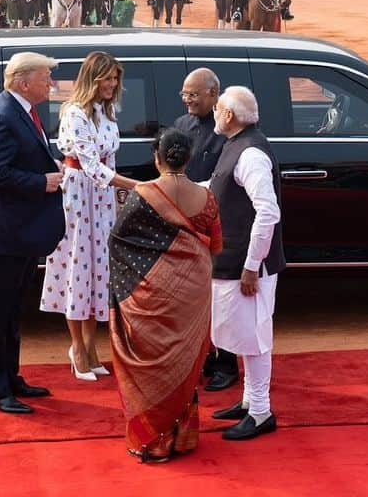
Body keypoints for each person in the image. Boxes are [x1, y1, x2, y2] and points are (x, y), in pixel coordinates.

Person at [109, 128, 222, 463]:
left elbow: (118, 240)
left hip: (148, 294)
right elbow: (216, 244)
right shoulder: (208, 198)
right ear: (187, 158)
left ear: (157, 158)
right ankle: (182, 437)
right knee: (185, 362)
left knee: (150, 365)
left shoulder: (143, 193)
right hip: (193, 291)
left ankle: (152, 442)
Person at [0, 52, 65, 415]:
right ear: (24, 82)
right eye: (45, 78)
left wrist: (45, 167)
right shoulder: (4, 115)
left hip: (16, 231)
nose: (50, 84)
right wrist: (42, 182)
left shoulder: (19, 110)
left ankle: (10, 377)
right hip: (0, 232)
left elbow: (15, 160)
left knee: (10, 312)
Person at [40, 51, 139, 381]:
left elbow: (106, 163)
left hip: (102, 200)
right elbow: (92, 166)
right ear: (92, 78)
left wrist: (119, 193)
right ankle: (77, 349)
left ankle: (91, 347)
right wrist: (138, 185)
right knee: (76, 272)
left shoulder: (105, 112)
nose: (112, 84)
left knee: (98, 273)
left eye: (115, 78)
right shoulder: (74, 113)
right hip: (79, 199)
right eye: (107, 78)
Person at [207, 86, 285, 441]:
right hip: (233, 262)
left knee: (254, 339)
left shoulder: (250, 153)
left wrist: (253, 265)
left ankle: (260, 411)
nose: (214, 113)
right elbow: (216, 187)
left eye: (218, 108)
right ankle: (248, 401)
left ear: (229, 115)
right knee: (241, 335)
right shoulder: (237, 143)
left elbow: (267, 212)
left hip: (246, 267)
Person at [173, 68, 238, 392]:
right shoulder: (182, 125)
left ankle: (226, 363)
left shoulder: (226, 130)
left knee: (221, 298)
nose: (187, 99)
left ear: (214, 95)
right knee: (190, 299)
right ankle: (199, 359)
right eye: (184, 93)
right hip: (184, 226)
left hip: (217, 226)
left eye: (194, 94)